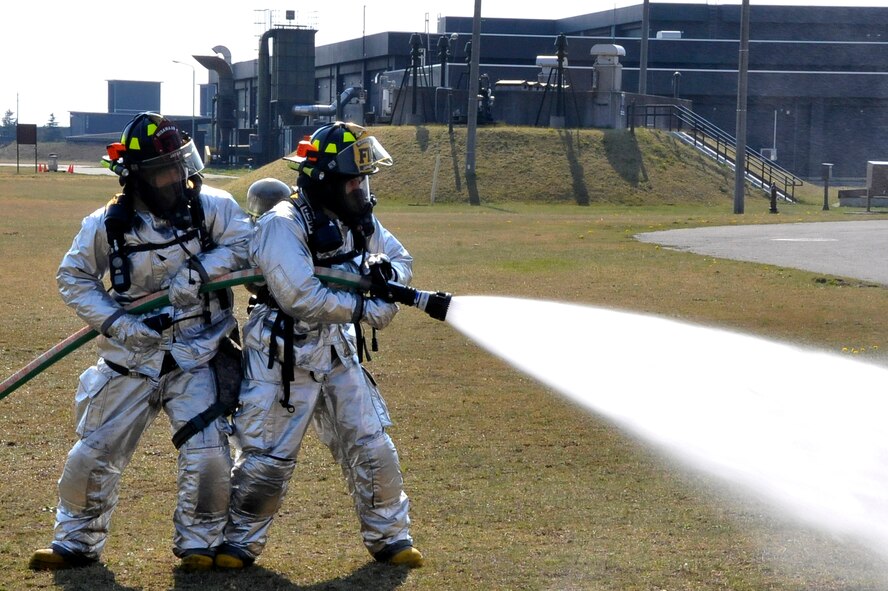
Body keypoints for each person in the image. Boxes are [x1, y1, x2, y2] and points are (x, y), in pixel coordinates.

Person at [28, 112, 252, 572]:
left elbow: (245, 245)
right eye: (164, 171)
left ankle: (200, 545)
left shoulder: (214, 206)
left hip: (199, 352)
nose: (177, 178)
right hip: (129, 357)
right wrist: (118, 323)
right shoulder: (104, 225)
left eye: (179, 165)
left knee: (209, 454)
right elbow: (74, 278)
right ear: (136, 177)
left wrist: (202, 270)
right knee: (93, 454)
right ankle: (74, 543)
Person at [215, 122, 424, 570]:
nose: (361, 189)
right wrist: (365, 308)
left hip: (336, 350)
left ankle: (391, 538)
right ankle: (237, 544)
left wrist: (387, 274)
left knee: (372, 447)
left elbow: (401, 258)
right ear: (326, 181)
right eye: (353, 181)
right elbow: (300, 295)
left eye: (363, 180)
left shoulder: (358, 219)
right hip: (282, 353)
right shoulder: (281, 223)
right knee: (267, 460)